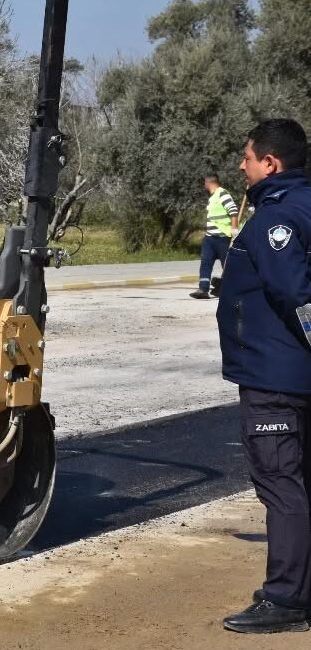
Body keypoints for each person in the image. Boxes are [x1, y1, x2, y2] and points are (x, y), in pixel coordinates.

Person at [217, 118, 311, 634]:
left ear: (270, 163)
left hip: (277, 379)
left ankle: (287, 599)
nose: (241, 165)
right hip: (291, 373)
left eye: (248, 158)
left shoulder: (276, 219)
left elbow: (296, 295)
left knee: (282, 486)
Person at [190, 173, 240, 299]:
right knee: (206, 262)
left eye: (204, 183)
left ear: (208, 183)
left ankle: (232, 288)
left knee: (227, 264)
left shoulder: (222, 194)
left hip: (223, 236)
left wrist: (234, 229)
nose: (204, 186)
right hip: (210, 237)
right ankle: (203, 289)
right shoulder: (212, 197)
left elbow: (233, 211)